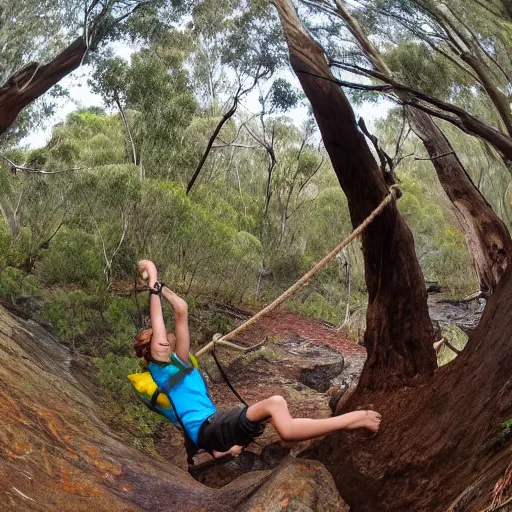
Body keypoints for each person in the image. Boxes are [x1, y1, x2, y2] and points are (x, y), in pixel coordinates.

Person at [134, 259, 381, 460]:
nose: (166, 337)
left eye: (166, 335)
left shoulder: (181, 363)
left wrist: (162, 287)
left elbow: (182, 310)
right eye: (160, 338)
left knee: (271, 410)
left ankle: (223, 450)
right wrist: (152, 277)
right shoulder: (161, 368)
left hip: (214, 429)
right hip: (210, 428)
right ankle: (350, 420)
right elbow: (159, 320)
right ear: (152, 349)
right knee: (276, 405)